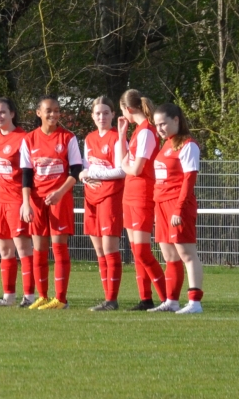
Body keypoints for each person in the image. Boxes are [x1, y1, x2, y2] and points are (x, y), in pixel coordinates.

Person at [22, 96, 85, 309]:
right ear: (38, 113)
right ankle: (43, 296)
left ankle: (61, 299)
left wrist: (59, 192)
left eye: (57, 110)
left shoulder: (68, 138)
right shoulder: (29, 139)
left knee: (59, 249)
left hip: (60, 199)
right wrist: (26, 202)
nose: (54, 114)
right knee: (38, 249)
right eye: (49, 110)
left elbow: (76, 171)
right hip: (37, 201)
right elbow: (26, 175)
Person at [151, 102, 205, 313]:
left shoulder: (188, 144)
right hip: (162, 204)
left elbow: (189, 180)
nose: (160, 128)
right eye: (157, 125)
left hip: (178, 204)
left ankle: (195, 302)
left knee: (186, 253)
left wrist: (179, 209)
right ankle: (171, 301)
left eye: (163, 124)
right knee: (169, 255)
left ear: (176, 120)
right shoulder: (166, 144)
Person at [0, 97, 37, 306]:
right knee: (5, 251)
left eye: (2, 112)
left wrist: (27, 202)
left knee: (24, 249)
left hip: (17, 199)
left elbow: (28, 172)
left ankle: (29, 296)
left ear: (12, 114)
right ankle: (8, 296)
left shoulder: (24, 138)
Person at [118, 90, 163, 310]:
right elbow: (123, 162)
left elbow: (134, 168)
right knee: (137, 252)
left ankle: (167, 298)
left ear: (128, 109)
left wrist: (126, 167)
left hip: (142, 195)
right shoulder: (136, 132)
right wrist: (121, 135)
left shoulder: (146, 131)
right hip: (130, 195)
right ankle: (146, 298)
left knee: (143, 251)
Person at [80, 96, 127, 310]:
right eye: (98, 113)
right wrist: (83, 175)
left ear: (113, 115)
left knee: (109, 248)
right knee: (99, 251)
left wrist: (94, 172)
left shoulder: (117, 138)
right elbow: (84, 167)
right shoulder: (89, 138)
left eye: (106, 113)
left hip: (110, 197)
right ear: (92, 116)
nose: (102, 117)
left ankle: (112, 299)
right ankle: (106, 298)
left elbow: (121, 170)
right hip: (91, 197)